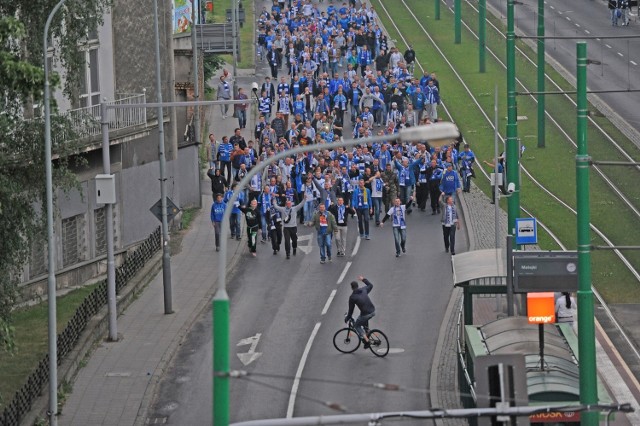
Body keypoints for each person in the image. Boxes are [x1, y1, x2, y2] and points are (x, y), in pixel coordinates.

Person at [345, 276, 376, 349]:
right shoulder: (364, 289)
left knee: (357, 326)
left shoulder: (352, 297)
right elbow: (370, 285)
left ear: (352, 288)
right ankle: (367, 333)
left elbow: (351, 310)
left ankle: (367, 341)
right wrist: (363, 279)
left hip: (365, 314)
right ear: (357, 286)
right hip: (373, 311)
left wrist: (347, 318)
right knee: (363, 319)